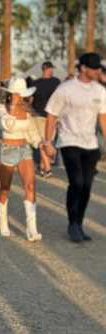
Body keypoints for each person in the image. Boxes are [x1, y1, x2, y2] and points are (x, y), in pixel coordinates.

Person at [43, 52, 106, 243]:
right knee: (76, 182)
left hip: (91, 144)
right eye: (94, 68)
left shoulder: (100, 91)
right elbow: (52, 115)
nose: (97, 71)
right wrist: (48, 142)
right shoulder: (66, 89)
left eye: (99, 68)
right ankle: (72, 224)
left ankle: (79, 223)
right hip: (69, 141)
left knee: (86, 186)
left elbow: (103, 118)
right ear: (84, 68)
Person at [0, 78, 43, 241]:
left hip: (24, 150)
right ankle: (3, 222)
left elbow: (32, 132)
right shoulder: (1, 108)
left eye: (21, 95)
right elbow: (6, 125)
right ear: (11, 94)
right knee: (5, 188)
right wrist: (14, 106)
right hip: (7, 150)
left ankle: (32, 229)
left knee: (30, 186)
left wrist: (41, 148)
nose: (20, 98)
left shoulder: (27, 110)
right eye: (18, 95)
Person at [29, 61, 61, 177]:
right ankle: (48, 169)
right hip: (47, 116)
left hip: (43, 115)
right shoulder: (55, 81)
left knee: (46, 142)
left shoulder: (35, 83)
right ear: (46, 69)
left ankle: (43, 167)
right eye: (51, 68)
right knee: (46, 142)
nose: (52, 70)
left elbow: (30, 100)